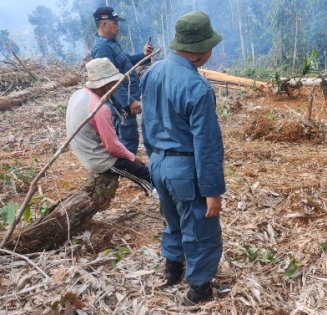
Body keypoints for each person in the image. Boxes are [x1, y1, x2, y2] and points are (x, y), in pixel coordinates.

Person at [140, 11, 225, 305]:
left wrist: (153, 160)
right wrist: (212, 191)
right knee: (200, 230)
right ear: (204, 51)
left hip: (159, 164)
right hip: (185, 169)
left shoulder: (151, 73)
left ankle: (172, 269)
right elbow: (207, 146)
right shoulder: (198, 88)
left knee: (172, 220)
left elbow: (147, 124)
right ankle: (199, 290)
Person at [66, 58, 152, 193]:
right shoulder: (99, 108)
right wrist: (133, 158)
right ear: (107, 85)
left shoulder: (78, 94)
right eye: (114, 83)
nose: (116, 87)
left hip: (85, 152)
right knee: (146, 174)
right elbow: (112, 146)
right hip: (99, 159)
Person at [91, 6, 153, 155]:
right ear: (104, 24)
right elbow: (109, 82)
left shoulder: (111, 43)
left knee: (129, 140)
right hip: (120, 106)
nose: (118, 27)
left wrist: (144, 55)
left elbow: (127, 62)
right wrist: (129, 101)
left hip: (124, 102)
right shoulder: (102, 47)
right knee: (127, 142)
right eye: (115, 23)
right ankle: (123, 173)